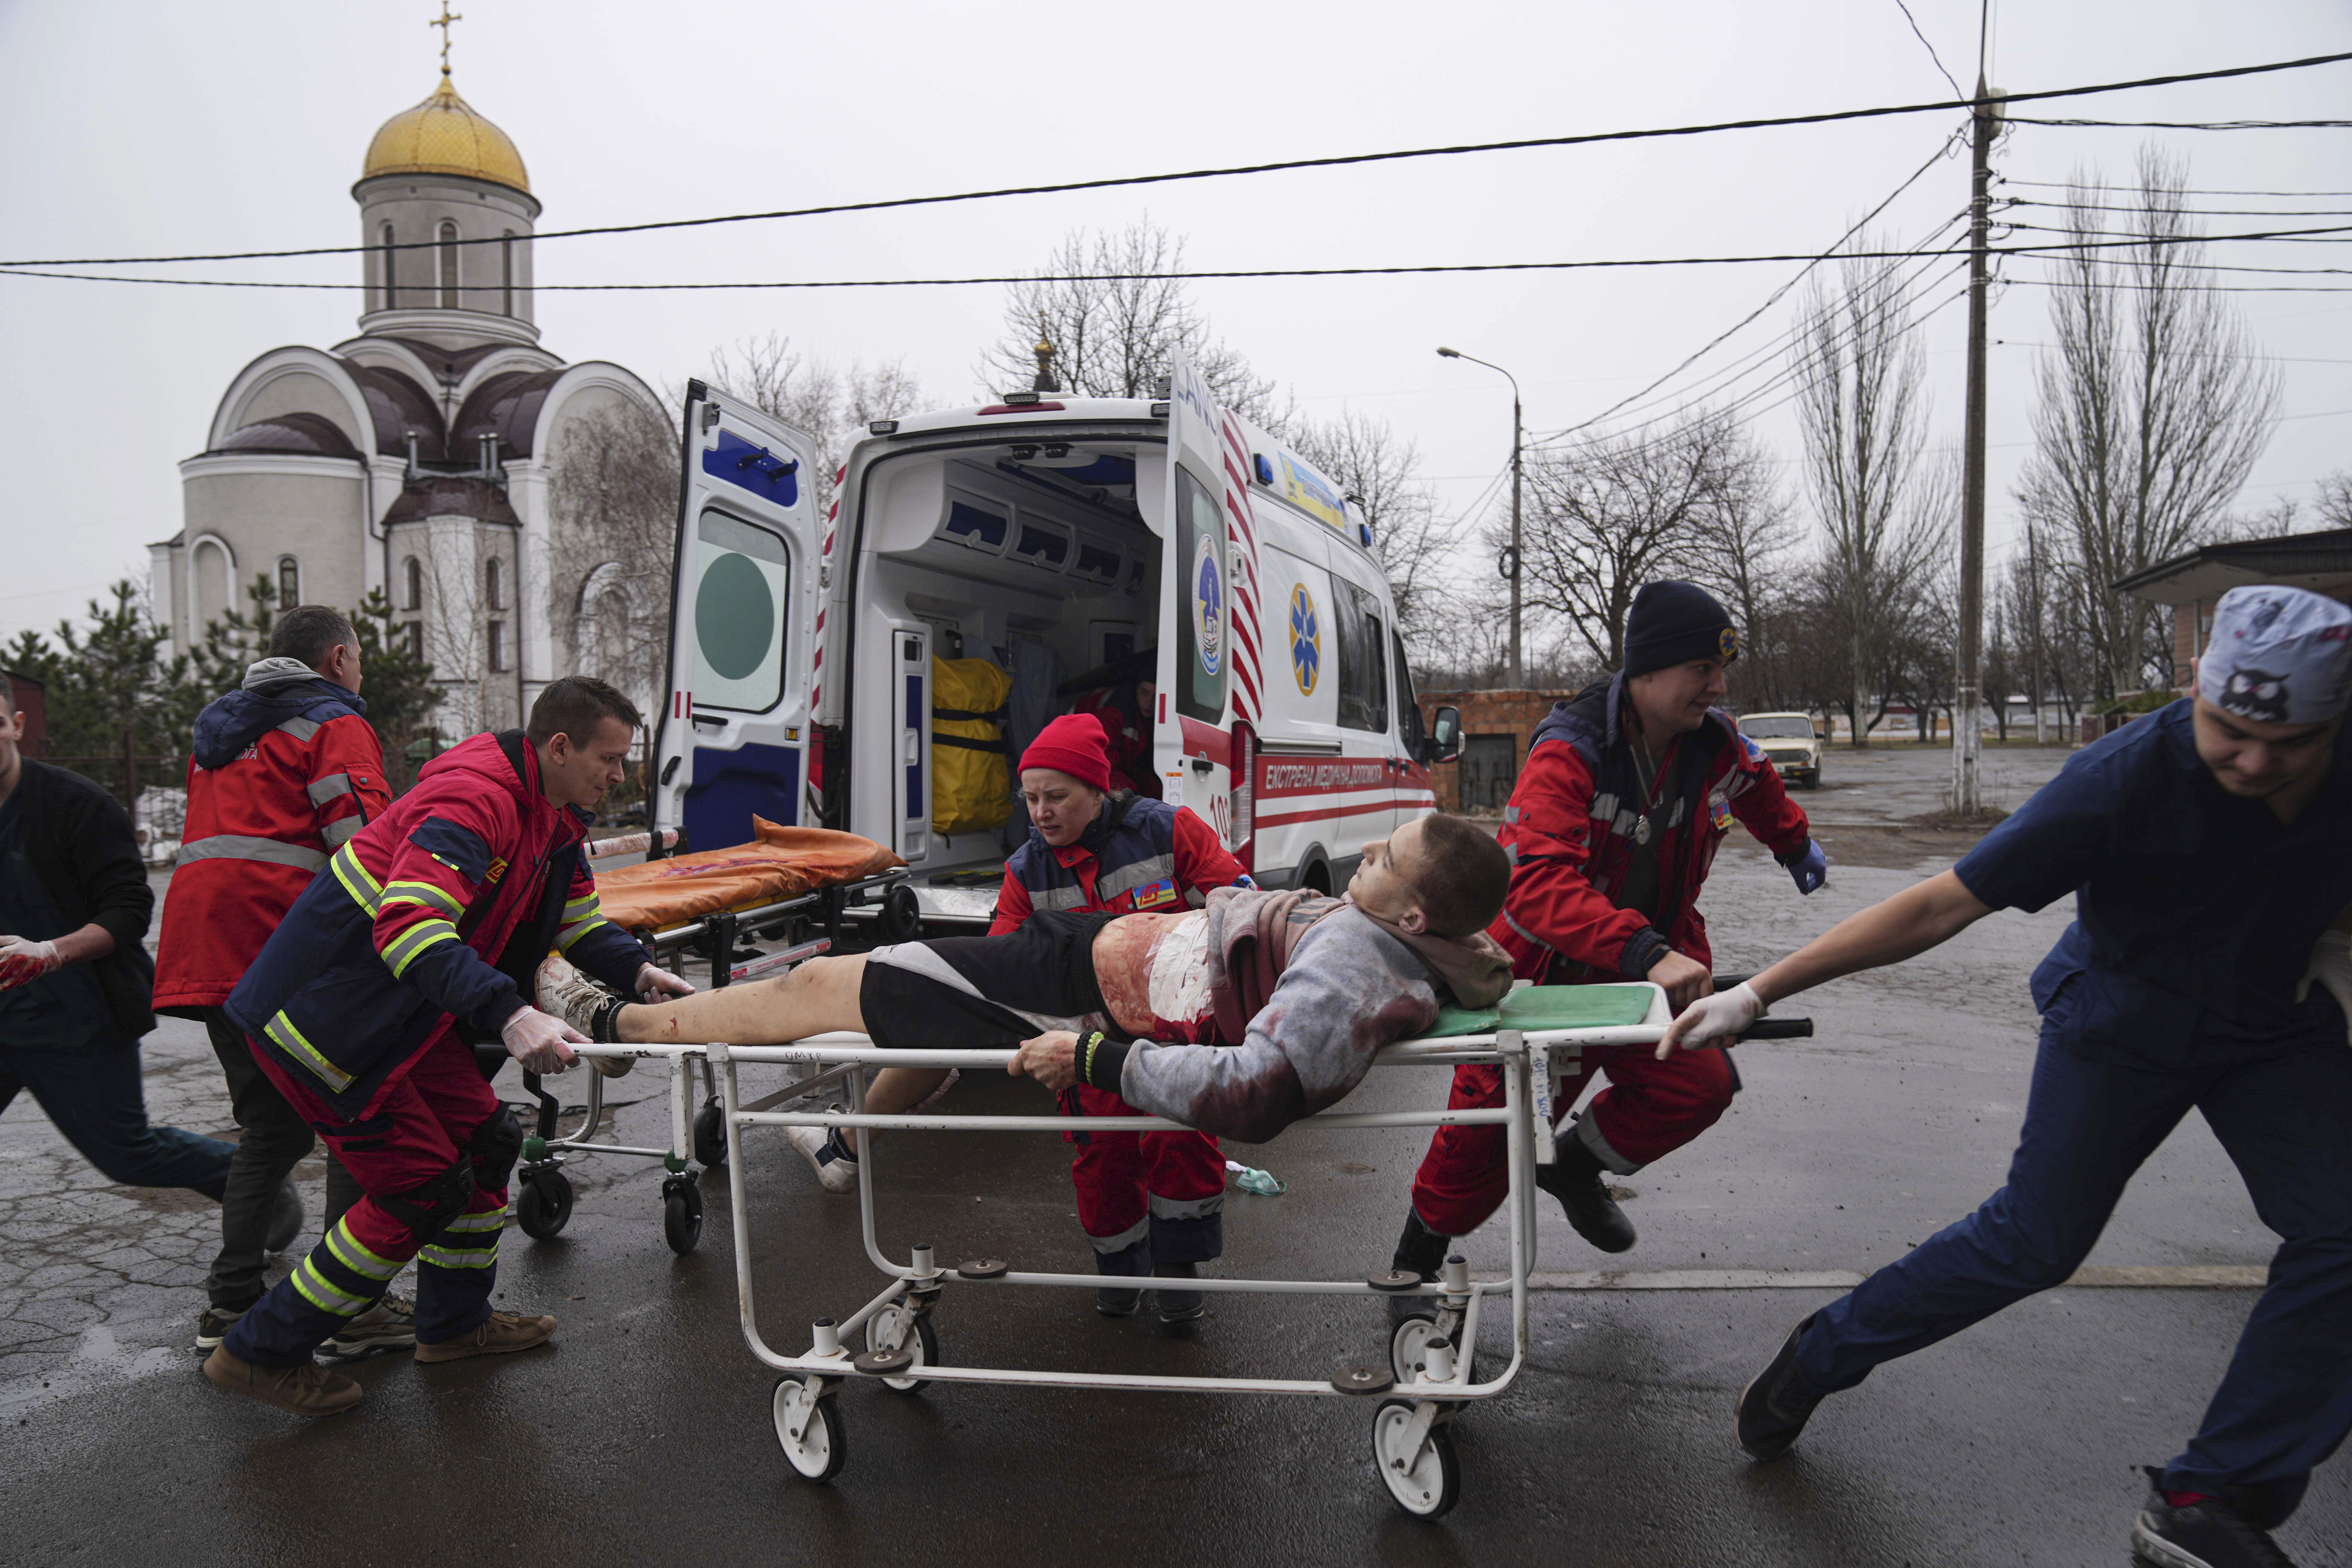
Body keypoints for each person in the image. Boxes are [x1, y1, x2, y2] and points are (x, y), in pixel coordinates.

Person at [1665, 584, 2352, 1568]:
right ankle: (1821, 1354)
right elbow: (1941, 906)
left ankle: (2212, 1499)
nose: (2251, 761)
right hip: (2121, 1019)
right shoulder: (2122, 778)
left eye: (2288, 746)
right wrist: (1761, 992)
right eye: (2227, 730)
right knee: (2037, 1242)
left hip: (2275, 1025)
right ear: (2195, 689)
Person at [200, 677, 695, 1417]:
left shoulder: (558, 818)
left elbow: (578, 924)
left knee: (489, 1143)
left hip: (404, 1016)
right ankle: (259, 1352)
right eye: (611, 759)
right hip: (326, 1023)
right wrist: (512, 1014)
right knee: (419, 1190)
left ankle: (454, 1327)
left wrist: (639, 970)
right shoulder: (474, 800)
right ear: (558, 748)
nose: (619, 776)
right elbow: (407, 927)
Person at [538, 813, 1515, 1155]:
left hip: (1066, 990)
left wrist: (1095, 1057)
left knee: (821, 986)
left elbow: (1256, 1091)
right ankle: (847, 1145)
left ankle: (621, 1023)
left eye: (1385, 860)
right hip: (1082, 959)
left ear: (1415, 917)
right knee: (892, 999)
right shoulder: (1421, 943)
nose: (1368, 857)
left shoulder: (1357, 964)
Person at [1389, 581, 1824, 1289]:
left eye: (1721, 671)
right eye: (1702, 672)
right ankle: (1412, 1270)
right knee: (1479, 1143)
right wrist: (1647, 952)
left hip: (1647, 972)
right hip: (1546, 979)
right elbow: (1534, 887)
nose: (1717, 687)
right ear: (1649, 670)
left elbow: (1756, 784)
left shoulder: (1711, 743)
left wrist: (1795, 847)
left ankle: (1575, 1167)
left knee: (1699, 1086)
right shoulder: (1573, 747)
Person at [155, 607, 403, 1356]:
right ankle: (352, 1306)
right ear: (337, 658)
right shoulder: (334, 722)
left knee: (272, 1126)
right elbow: (365, 849)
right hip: (282, 948)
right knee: (349, 1114)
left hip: (208, 948)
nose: (360, 674)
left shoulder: (219, 730)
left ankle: (231, 1302)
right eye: (359, 659)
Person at [0, 678, 237, 1212]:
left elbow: (129, 912)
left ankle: (249, 1183)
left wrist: (49, 953)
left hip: (78, 1020)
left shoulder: (76, 805)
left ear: (16, 726)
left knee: (130, 1156)